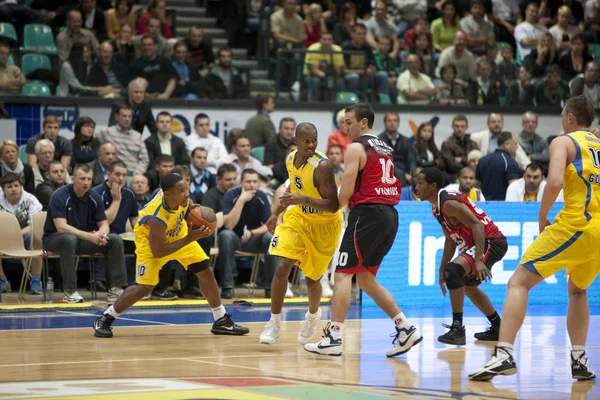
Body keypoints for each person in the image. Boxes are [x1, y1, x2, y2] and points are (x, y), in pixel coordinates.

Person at [469, 96, 599, 382]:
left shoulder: (563, 142)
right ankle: (579, 360)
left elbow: (552, 182)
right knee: (577, 290)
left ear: (569, 117)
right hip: (598, 233)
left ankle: (504, 354)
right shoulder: (599, 145)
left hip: (577, 224)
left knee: (519, 281)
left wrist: (543, 217)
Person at [305, 103, 422, 357]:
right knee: (366, 279)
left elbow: (344, 196)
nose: (345, 126)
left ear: (364, 123)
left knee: (343, 275)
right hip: (390, 216)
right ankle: (406, 327)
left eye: (349, 122)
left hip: (368, 214)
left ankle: (334, 337)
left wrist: (318, 205)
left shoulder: (356, 148)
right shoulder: (384, 147)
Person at [93, 173, 250, 338]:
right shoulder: (156, 217)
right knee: (144, 287)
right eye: (182, 191)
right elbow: (159, 251)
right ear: (167, 194)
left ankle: (221, 320)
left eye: (187, 189)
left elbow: (183, 199)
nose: (187, 193)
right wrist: (190, 238)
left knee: (206, 271)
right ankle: (106, 318)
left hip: (178, 234)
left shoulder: (178, 197)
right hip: (151, 244)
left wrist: (191, 210)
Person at [259, 123, 342, 345]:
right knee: (281, 267)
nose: (311, 145)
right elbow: (291, 191)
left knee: (312, 279)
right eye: (306, 141)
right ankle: (274, 322)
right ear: (295, 141)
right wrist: (275, 213)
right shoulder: (289, 160)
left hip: (325, 225)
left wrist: (302, 199)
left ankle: (313, 317)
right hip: (298, 218)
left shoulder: (322, 166)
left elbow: (333, 205)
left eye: (314, 140)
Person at [415, 167, 506, 345]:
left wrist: (478, 259)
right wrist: (441, 269)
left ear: (433, 186)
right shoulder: (437, 208)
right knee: (467, 286)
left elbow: (477, 225)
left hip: (491, 241)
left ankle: (458, 329)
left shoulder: (448, 203)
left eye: (420, 183)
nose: (416, 187)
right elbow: (450, 241)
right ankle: (498, 327)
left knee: (454, 271)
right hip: (480, 243)